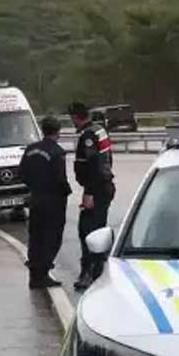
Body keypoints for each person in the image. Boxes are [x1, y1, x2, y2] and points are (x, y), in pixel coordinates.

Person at [19, 116, 71, 289]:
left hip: (35, 198)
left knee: (36, 236)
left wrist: (34, 186)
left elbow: (22, 173)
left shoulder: (30, 149)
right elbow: (60, 178)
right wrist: (66, 191)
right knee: (51, 237)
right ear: (58, 132)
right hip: (53, 200)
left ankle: (34, 274)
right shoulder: (57, 152)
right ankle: (43, 273)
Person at [69, 101, 115, 291]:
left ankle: (89, 272)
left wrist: (89, 193)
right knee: (98, 228)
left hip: (96, 189)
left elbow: (94, 164)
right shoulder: (99, 130)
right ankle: (98, 268)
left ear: (75, 117)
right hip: (105, 186)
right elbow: (107, 160)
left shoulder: (88, 136)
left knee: (87, 231)